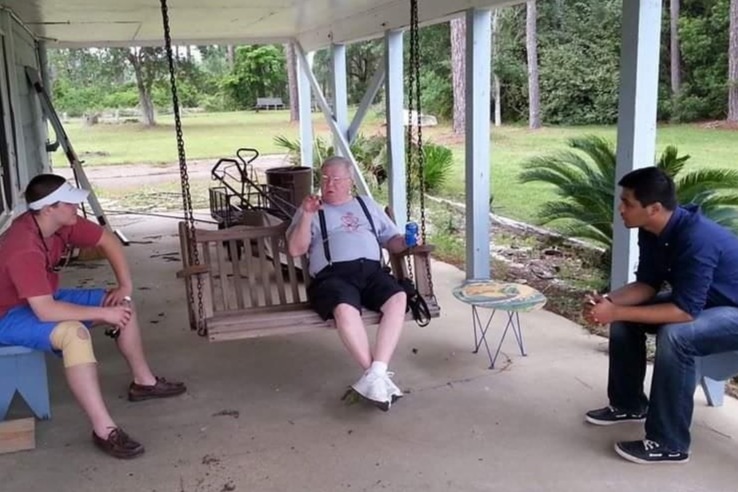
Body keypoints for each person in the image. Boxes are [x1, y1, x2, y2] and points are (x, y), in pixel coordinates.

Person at [0, 174, 186, 459]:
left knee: (122, 304)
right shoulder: (23, 246)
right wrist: (104, 314)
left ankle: (144, 382)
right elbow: (46, 311)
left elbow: (108, 240)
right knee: (75, 335)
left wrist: (124, 287)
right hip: (7, 315)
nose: (76, 207)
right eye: (69, 203)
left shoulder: (61, 224)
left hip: (38, 299)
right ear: (48, 209)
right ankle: (104, 430)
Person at [583, 166, 738, 465]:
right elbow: (647, 284)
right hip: (706, 302)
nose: (620, 209)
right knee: (625, 319)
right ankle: (628, 405)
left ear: (654, 208)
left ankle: (669, 443)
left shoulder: (697, 238)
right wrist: (607, 302)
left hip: (731, 309)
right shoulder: (651, 230)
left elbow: (684, 312)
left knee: (677, 335)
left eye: (627, 203)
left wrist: (615, 310)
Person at [286, 156, 411, 411]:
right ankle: (377, 377)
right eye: (324, 178)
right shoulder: (311, 209)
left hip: (372, 271)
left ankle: (376, 374)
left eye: (336, 179)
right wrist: (307, 215)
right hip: (334, 276)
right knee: (344, 309)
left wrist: (406, 241)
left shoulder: (366, 204)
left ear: (350, 182)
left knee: (398, 298)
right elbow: (295, 249)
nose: (329, 184)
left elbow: (392, 241)